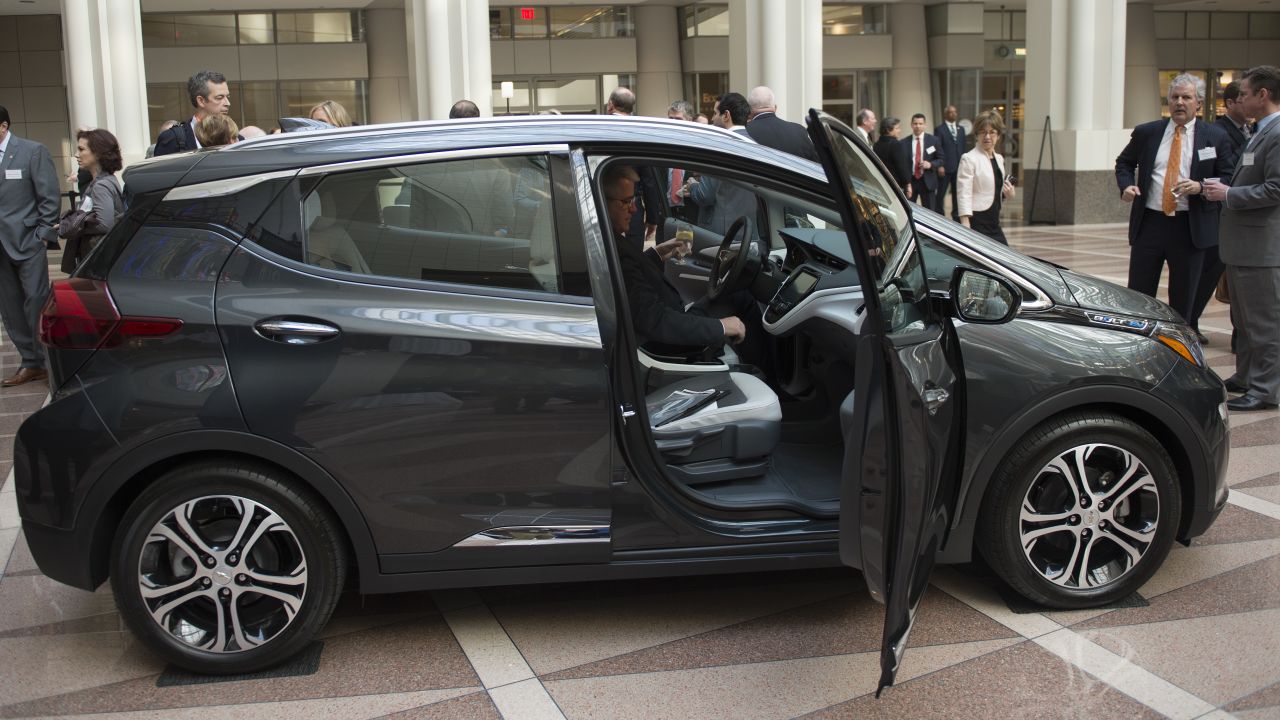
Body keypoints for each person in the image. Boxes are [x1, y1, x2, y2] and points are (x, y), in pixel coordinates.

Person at [1115, 73, 1236, 323]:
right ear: (1168, 101)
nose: (1180, 102)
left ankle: (1179, 346)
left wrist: (1201, 187)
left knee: (1184, 296)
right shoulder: (1147, 132)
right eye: (1175, 97)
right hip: (1150, 223)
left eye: (1186, 97)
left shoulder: (1215, 137)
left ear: (1199, 104)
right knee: (1139, 293)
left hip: (1189, 227)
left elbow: (1229, 176)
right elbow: (1124, 163)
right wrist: (1126, 186)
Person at [1203, 65, 1280, 412]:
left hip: (1262, 249)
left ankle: (1266, 389)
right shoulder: (1260, 132)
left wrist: (1229, 194)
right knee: (1246, 322)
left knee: (1264, 323)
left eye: (1246, 94)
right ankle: (1247, 376)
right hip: (1245, 247)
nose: (1240, 99)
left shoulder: (1276, 133)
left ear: (1262, 96)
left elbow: (1276, 188)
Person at [605, 165, 746, 350]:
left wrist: (656, 254)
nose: (634, 209)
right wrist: (721, 327)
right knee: (742, 298)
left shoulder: (611, 239)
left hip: (673, 316)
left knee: (738, 294)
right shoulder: (614, 247)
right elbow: (656, 321)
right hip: (669, 341)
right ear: (604, 203)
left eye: (633, 200)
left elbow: (634, 275)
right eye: (626, 202)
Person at [1190, 80, 1257, 344]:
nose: (1247, 103)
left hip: (1239, 210)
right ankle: (1190, 321)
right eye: (1242, 99)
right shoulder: (1219, 132)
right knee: (1207, 272)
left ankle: (1239, 336)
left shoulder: (1250, 129)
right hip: (1217, 213)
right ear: (1230, 103)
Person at [0, 106, 59, 387]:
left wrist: (43, 236)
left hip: (27, 241)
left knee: (35, 301)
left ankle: (47, 358)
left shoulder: (32, 151)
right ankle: (30, 362)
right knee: (9, 308)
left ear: (3, 126)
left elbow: (48, 196)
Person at [60, 128, 123, 274]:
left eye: (81, 149)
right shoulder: (104, 181)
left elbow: (104, 224)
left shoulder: (101, 185)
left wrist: (74, 225)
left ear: (98, 152)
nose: (77, 155)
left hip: (99, 262)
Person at [957, 111, 1016, 244]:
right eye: (983, 132)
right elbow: (963, 194)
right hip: (977, 221)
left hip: (994, 220)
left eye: (992, 132)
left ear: (999, 135)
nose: (987, 136)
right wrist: (966, 226)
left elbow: (994, 191)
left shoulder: (999, 159)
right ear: (977, 134)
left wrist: (1009, 194)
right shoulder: (969, 158)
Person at [153, 70, 230, 156]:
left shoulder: (236, 137)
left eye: (227, 97)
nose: (227, 103)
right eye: (219, 97)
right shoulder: (172, 139)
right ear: (201, 101)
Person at [744, 86, 818, 161]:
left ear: (749, 110)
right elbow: (816, 164)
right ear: (775, 108)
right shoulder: (799, 131)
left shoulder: (744, 132)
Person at [896, 113, 943, 207]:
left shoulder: (934, 141)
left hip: (927, 181)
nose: (918, 126)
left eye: (920, 124)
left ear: (925, 125)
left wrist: (930, 164)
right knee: (909, 209)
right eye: (915, 123)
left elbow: (941, 159)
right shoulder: (903, 142)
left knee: (930, 212)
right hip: (910, 181)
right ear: (911, 125)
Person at [936, 105, 967, 218]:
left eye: (955, 112)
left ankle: (956, 215)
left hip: (958, 168)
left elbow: (963, 148)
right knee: (941, 194)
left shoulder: (961, 129)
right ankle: (939, 215)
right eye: (951, 112)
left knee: (957, 194)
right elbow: (938, 148)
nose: (953, 114)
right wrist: (940, 165)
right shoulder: (940, 129)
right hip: (945, 168)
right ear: (946, 114)